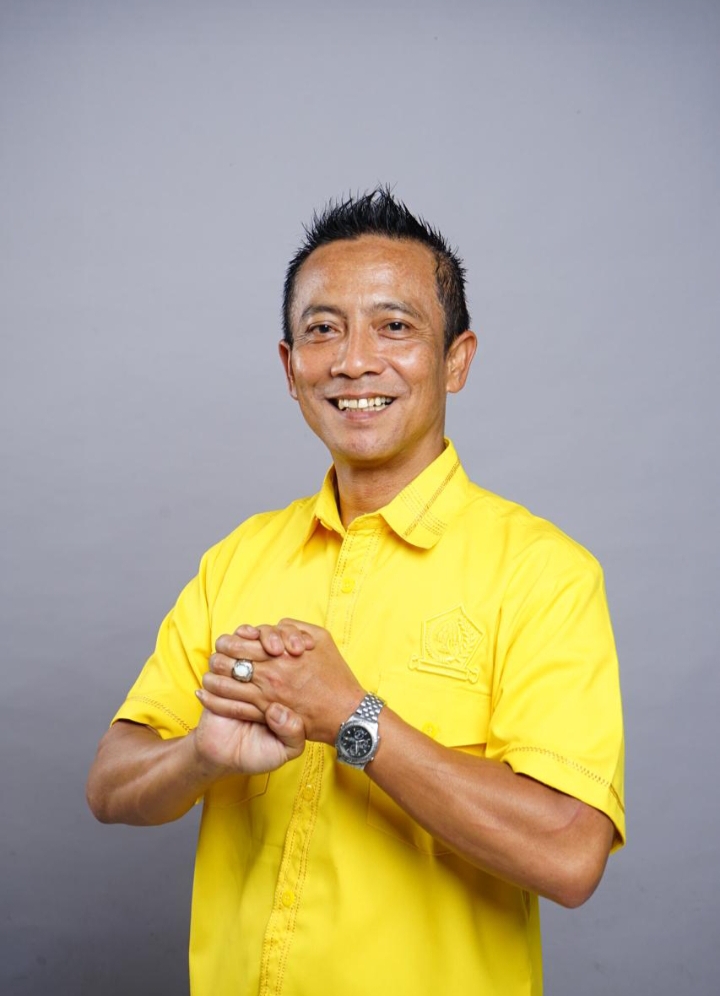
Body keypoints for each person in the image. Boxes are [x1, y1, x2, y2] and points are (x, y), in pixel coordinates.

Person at [87, 189, 625, 996]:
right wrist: (200, 755)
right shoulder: (237, 559)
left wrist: (354, 720)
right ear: (289, 367)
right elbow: (109, 784)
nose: (353, 361)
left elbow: (570, 853)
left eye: (394, 326)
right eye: (322, 329)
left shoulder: (544, 573)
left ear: (457, 360)